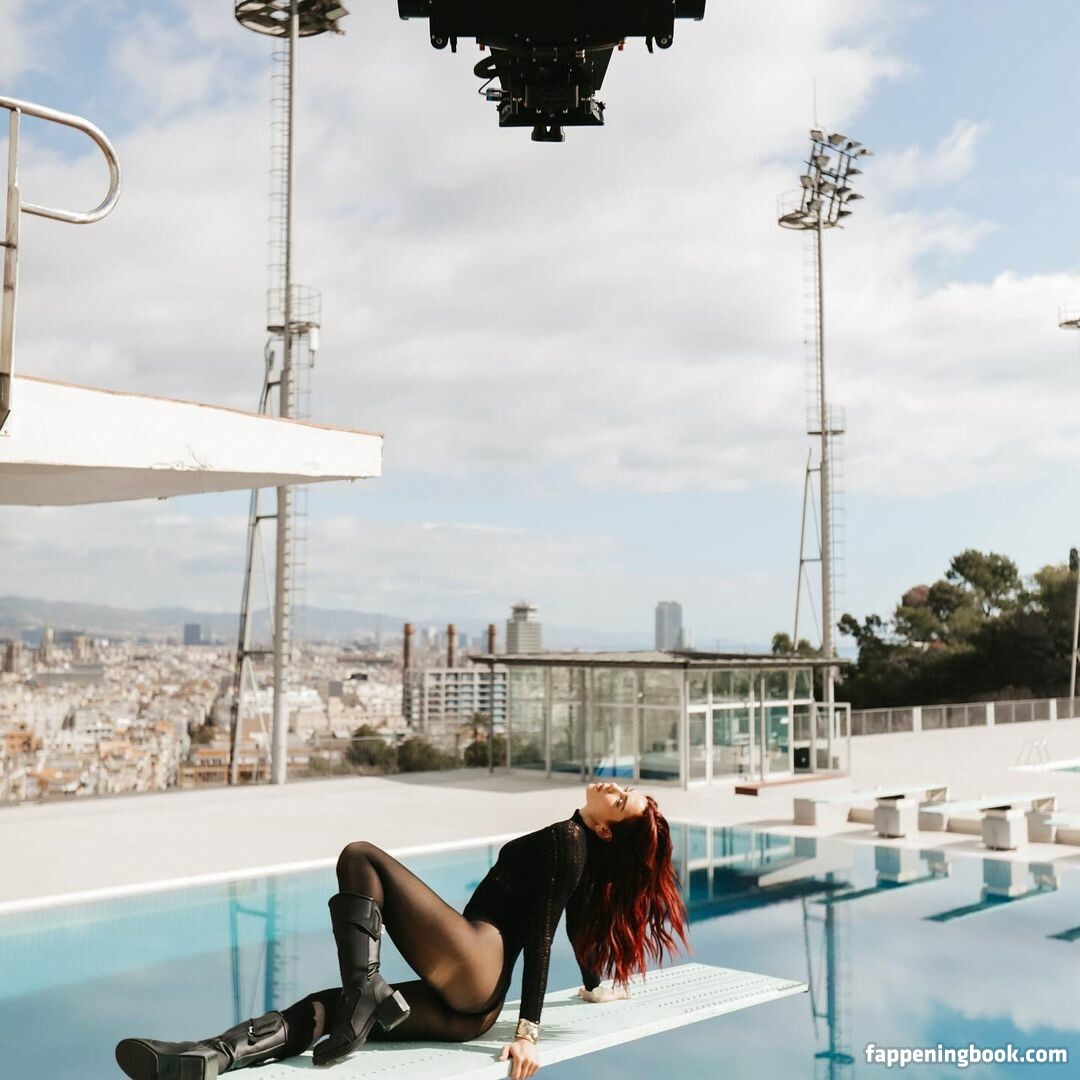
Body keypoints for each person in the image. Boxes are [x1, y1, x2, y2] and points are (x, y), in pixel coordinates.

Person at [115, 781, 689, 1080]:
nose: (613, 789)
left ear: (607, 830)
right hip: (473, 1008)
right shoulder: (579, 852)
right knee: (326, 1007)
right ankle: (211, 1055)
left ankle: (366, 991)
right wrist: (593, 986)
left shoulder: (569, 841)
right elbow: (577, 926)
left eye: (620, 800)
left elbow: (541, 936)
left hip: (477, 963)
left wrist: (529, 1036)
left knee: (360, 857)